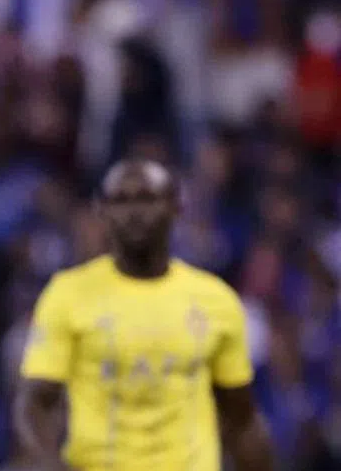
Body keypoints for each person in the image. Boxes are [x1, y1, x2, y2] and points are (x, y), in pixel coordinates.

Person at [14, 160, 274, 471]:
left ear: (176, 205)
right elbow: (37, 403)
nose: (134, 212)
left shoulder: (216, 301)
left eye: (147, 199)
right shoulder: (67, 295)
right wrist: (47, 461)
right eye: (121, 201)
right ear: (102, 210)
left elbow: (241, 418)